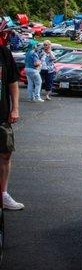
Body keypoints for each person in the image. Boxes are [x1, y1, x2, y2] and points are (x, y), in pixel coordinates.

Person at [0, 41, 23, 210]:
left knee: (6, 154)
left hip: (2, 115)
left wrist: (15, 108)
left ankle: (3, 194)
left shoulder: (3, 53)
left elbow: (13, 83)